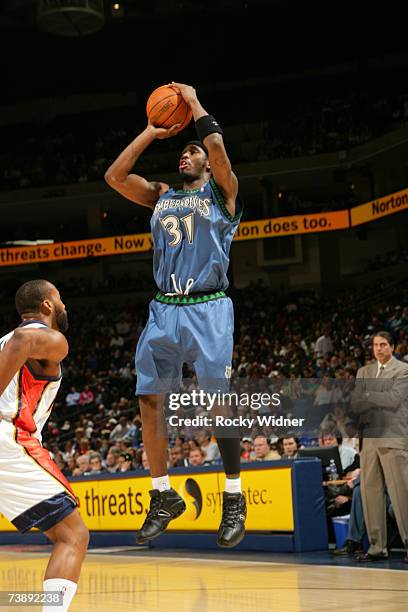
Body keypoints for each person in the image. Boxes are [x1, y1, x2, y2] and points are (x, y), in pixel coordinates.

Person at [105, 82, 246, 548]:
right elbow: (115, 176)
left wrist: (193, 100)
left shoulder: (223, 194)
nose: (185, 156)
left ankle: (233, 495)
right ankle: (162, 495)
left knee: (216, 401)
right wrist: (150, 131)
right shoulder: (162, 194)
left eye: (192, 151)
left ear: (206, 162)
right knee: (149, 399)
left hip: (208, 307)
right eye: (182, 152)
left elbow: (219, 145)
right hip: (165, 307)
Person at [0, 280, 89, 611]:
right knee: (72, 536)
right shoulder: (51, 339)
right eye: (60, 299)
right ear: (48, 306)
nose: (64, 306)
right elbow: (25, 338)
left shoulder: (2, 342)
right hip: (10, 440)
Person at [351, 331, 408, 563]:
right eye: (375, 345)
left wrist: (369, 394)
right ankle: (377, 547)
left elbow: (394, 400)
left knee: (400, 492)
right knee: (370, 493)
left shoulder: (403, 370)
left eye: (383, 344)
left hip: (392, 437)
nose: (379, 349)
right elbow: (355, 403)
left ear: (392, 347)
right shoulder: (363, 372)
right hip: (369, 438)